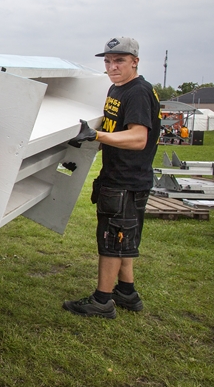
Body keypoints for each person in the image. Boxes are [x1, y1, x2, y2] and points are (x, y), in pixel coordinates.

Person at [64, 36, 161, 319]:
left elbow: (138, 137)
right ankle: (126, 292)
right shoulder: (117, 89)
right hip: (121, 178)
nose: (112, 66)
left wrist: (96, 135)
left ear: (135, 62)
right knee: (124, 238)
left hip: (126, 182)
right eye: (108, 61)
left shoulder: (138, 92)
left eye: (119, 60)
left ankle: (102, 301)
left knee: (111, 240)